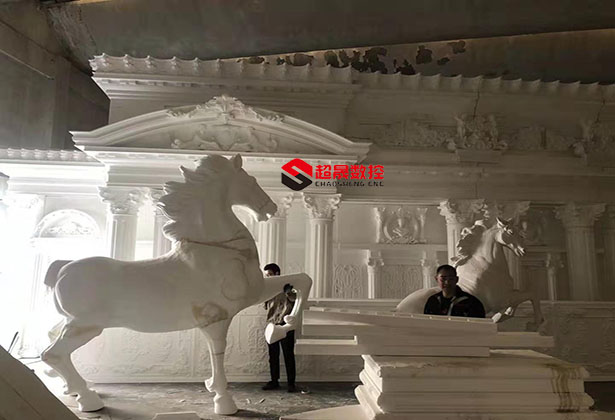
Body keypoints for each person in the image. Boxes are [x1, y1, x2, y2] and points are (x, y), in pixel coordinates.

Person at [262, 263, 297, 392]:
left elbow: (295, 299)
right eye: (266, 275)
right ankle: (274, 381)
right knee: (273, 355)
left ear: (277, 273)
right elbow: (265, 306)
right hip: (272, 324)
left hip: (285, 325)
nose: (268, 277)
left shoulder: (288, 287)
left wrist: (288, 292)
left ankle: (291, 383)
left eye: (270, 274)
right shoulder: (268, 289)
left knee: (288, 354)